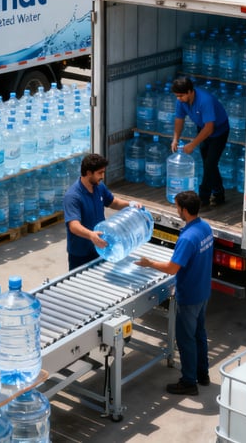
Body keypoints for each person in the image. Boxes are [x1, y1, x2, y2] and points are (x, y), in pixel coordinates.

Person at [134, 191, 212, 395]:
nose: (176, 210)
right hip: (203, 291)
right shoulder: (205, 228)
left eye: (177, 207)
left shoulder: (187, 238)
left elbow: (171, 268)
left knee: (185, 339)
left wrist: (149, 263)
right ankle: (202, 374)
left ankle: (189, 382)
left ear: (184, 210)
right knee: (199, 334)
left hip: (189, 295)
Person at [63, 153, 133, 271]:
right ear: (89, 173)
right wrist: (91, 235)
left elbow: (113, 202)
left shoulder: (99, 187)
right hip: (81, 254)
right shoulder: (73, 196)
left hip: (100, 247)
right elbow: (74, 226)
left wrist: (130, 204)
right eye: (100, 173)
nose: (102, 176)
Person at [171, 76, 230, 208]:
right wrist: (175, 139)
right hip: (202, 128)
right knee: (209, 164)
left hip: (218, 131)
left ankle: (204, 197)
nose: (178, 99)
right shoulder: (181, 101)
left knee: (210, 163)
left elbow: (209, 128)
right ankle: (219, 193)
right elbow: (179, 120)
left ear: (190, 91)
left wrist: (192, 144)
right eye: (177, 96)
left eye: (181, 96)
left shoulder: (205, 100)